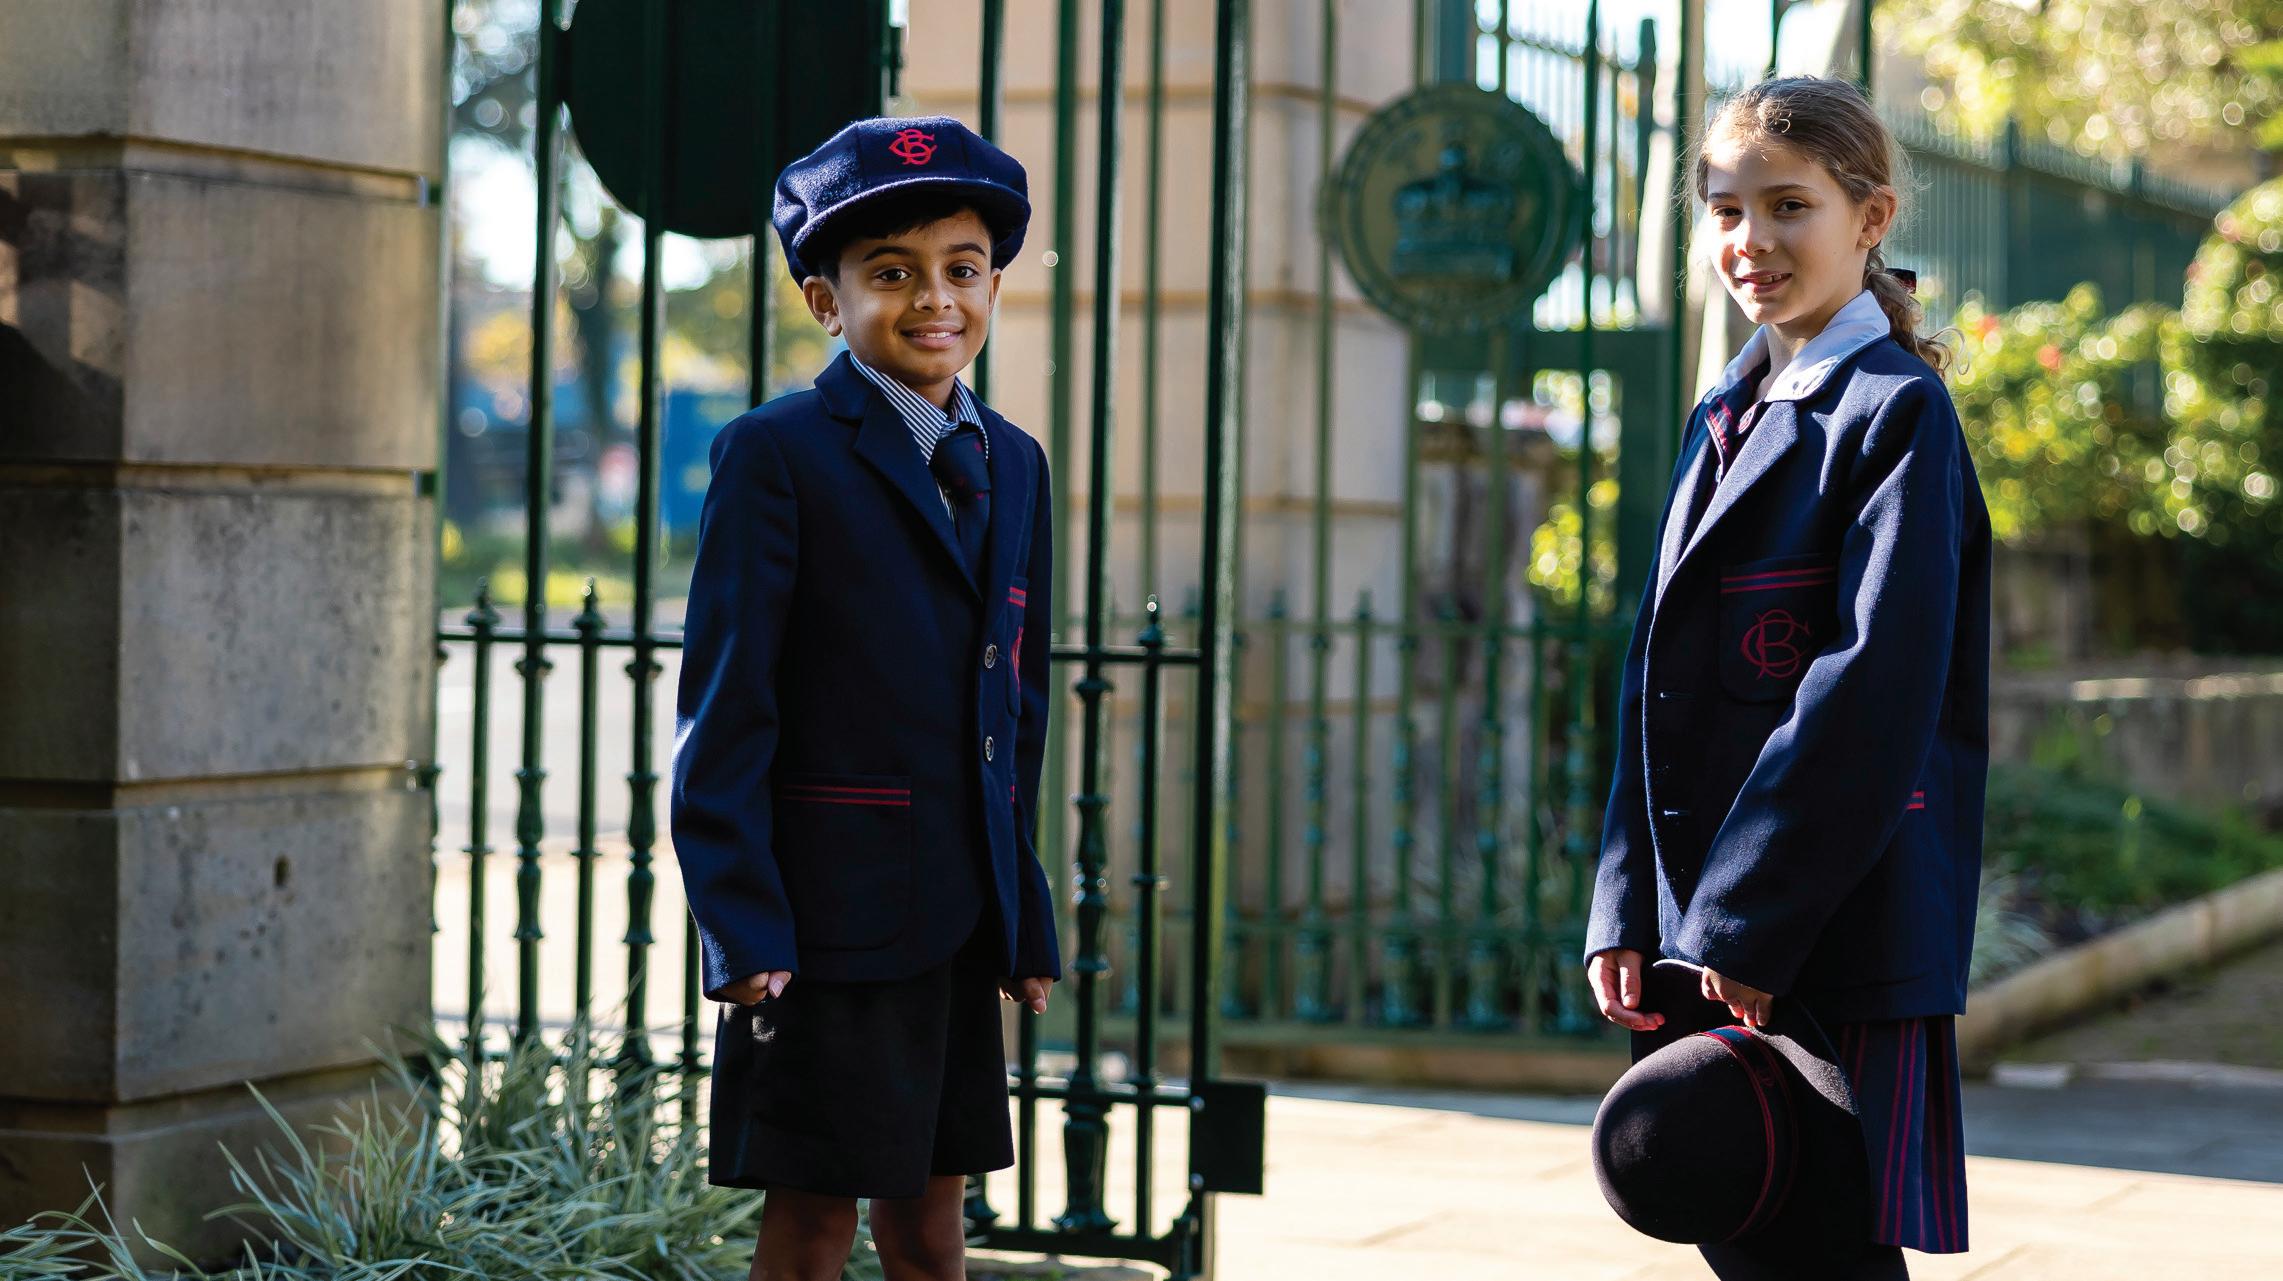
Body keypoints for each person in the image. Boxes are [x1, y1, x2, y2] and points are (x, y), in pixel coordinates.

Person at [1581, 75, 1993, 1279]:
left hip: (1823, 933)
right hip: (1703, 926)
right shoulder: (1726, 407)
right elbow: (1653, 679)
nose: (1749, 241)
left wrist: (1747, 922)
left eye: (1787, 206)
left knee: (1823, 1254)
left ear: (1871, 219)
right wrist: (1627, 904)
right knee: (1748, 1246)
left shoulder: (1896, 415)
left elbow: (1869, 698)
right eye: (1725, 210)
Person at [670, 115, 1063, 1281]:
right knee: (811, 1228)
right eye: (890, 274)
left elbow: (1014, 710)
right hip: (824, 931)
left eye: (962, 269)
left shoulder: (1015, 461)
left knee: (935, 1232)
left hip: (955, 923)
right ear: (825, 302)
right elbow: (726, 708)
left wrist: (1022, 911)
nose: (934, 299)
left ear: (992, 286)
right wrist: (741, 922)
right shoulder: (777, 453)